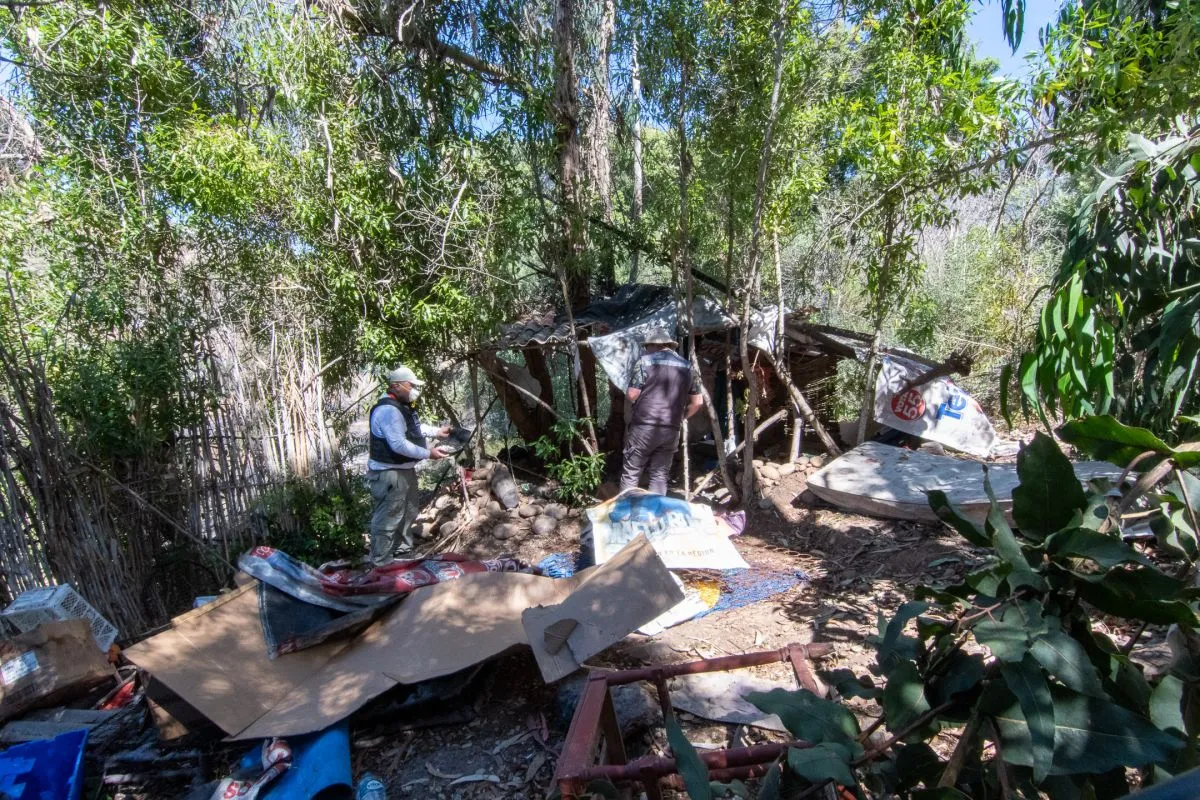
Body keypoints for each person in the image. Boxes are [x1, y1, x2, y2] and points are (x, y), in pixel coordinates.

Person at [364, 366, 449, 564]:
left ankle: (402, 552)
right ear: (397, 386)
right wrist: (429, 453)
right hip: (389, 473)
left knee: (408, 512)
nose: (414, 389)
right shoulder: (387, 411)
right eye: (411, 385)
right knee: (388, 517)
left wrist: (437, 432)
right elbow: (399, 444)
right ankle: (381, 561)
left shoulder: (401, 407)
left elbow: (414, 430)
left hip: (404, 471)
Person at [620, 328, 704, 495]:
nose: (646, 350)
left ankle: (627, 515)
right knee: (659, 475)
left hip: (644, 428)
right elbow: (698, 402)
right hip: (671, 430)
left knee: (632, 471)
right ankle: (655, 517)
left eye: (647, 347)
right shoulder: (688, 367)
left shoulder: (644, 362)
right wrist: (681, 417)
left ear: (654, 345)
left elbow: (632, 394)